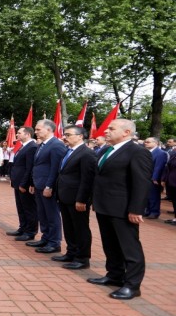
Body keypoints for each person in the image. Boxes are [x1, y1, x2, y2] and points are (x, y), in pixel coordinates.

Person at [87, 119, 152, 300]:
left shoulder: (138, 152)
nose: (106, 131)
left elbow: (141, 182)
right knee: (111, 245)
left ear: (126, 132)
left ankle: (132, 285)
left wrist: (136, 209)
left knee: (130, 248)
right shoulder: (107, 150)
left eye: (111, 128)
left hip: (123, 209)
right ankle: (114, 275)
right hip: (104, 206)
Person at [54, 126, 96, 270]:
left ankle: (82, 258)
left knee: (80, 228)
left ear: (80, 136)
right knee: (69, 226)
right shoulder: (69, 151)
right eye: (64, 134)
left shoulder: (86, 154)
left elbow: (87, 179)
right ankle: (71, 252)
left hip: (77, 198)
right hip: (65, 196)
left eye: (68, 134)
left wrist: (82, 199)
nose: (65, 137)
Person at [27, 119, 66, 254]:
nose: (36, 132)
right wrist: (33, 183)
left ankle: (54, 242)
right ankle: (46, 237)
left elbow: (55, 169)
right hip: (39, 184)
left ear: (49, 130)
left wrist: (49, 186)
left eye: (38, 129)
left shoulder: (56, 145)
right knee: (42, 213)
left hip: (48, 187)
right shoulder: (42, 145)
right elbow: (38, 165)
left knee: (51, 214)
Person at [7, 127, 38, 241]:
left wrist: (24, 183)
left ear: (27, 134)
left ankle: (30, 231)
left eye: (19, 133)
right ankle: (23, 228)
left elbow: (29, 168)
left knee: (29, 208)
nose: (17, 135)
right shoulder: (23, 146)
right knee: (20, 207)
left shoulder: (32, 147)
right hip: (18, 182)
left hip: (23, 183)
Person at [143, 137, 167, 219]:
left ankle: (154, 212)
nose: (145, 143)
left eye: (148, 142)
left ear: (155, 143)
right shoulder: (145, 152)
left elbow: (159, 167)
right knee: (146, 195)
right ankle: (148, 210)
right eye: (145, 142)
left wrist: (155, 178)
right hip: (144, 178)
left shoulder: (160, 153)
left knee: (153, 196)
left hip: (153, 178)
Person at [161, 150, 176, 225]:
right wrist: (164, 179)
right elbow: (167, 168)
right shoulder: (174, 155)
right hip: (171, 181)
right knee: (174, 200)